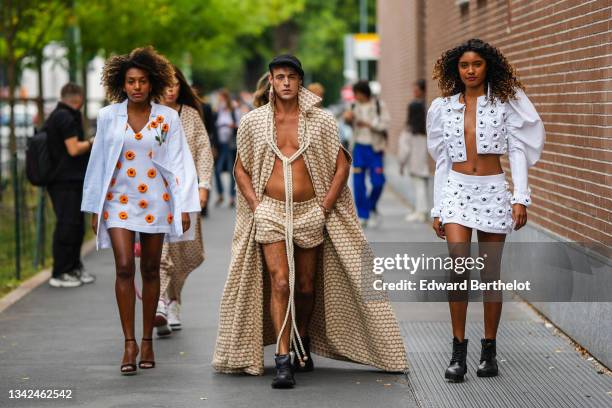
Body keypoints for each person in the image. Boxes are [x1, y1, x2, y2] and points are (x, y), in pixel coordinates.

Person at [212, 54, 407, 389]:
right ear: (270, 81)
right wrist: (257, 206)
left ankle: (301, 339)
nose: (285, 82)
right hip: (271, 210)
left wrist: (325, 206)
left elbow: (341, 164)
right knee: (281, 282)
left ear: (300, 81)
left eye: (291, 76)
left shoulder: (322, 121)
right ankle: (283, 357)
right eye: (279, 76)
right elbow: (241, 168)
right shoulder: (254, 122)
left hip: (310, 212)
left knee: (304, 286)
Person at [427, 38, 545, 382]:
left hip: (493, 191)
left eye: (476, 64)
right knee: (459, 267)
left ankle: (489, 349)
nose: (470, 70)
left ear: (487, 66)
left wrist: (520, 197)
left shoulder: (503, 104)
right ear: (456, 70)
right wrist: (437, 208)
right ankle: (457, 351)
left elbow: (519, 151)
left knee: (490, 273)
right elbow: (442, 162)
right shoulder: (443, 108)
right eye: (464, 65)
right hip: (456, 193)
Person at [81, 47, 200, 375]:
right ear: (122, 83)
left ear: (152, 84)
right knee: (123, 267)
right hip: (118, 201)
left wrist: (185, 204)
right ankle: (129, 343)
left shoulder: (168, 118)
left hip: (157, 202)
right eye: (131, 81)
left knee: (150, 270)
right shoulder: (108, 117)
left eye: (143, 81)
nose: (136, 87)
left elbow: (180, 162)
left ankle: (147, 339)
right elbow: (98, 163)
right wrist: (95, 207)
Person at [155, 66, 214, 336]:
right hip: (154, 195)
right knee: (160, 250)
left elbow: (203, 151)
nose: (170, 89)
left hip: (186, 194)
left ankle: (174, 300)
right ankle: (159, 303)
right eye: (166, 84)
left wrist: (203, 187)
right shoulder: (149, 113)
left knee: (181, 253)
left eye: (175, 85)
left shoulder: (189, 115)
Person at [45, 83, 94, 288]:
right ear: (78, 98)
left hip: (69, 180)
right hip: (63, 181)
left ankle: (73, 267)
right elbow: (73, 149)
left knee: (75, 225)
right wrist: (92, 142)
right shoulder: (65, 118)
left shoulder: (60, 115)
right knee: (67, 225)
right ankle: (60, 272)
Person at [343, 80, 390, 228]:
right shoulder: (353, 105)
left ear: (363, 93)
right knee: (358, 183)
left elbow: (385, 124)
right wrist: (348, 119)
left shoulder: (378, 105)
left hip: (375, 149)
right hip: (358, 148)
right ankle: (363, 214)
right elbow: (347, 123)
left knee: (378, 182)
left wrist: (369, 124)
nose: (355, 96)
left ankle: (370, 206)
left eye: (357, 93)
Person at [404, 79, 431, 223]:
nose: (414, 92)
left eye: (416, 89)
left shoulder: (415, 106)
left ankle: (420, 211)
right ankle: (421, 210)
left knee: (418, 180)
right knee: (421, 181)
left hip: (417, 146)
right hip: (424, 145)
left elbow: (408, 127)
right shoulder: (427, 107)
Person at [213, 90, 240, 207]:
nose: (221, 101)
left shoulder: (233, 111)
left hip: (230, 145)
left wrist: (232, 126)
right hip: (220, 145)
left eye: (223, 98)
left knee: (231, 171)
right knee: (217, 171)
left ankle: (231, 197)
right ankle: (220, 194)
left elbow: (240, 125)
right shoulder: (217, 112)